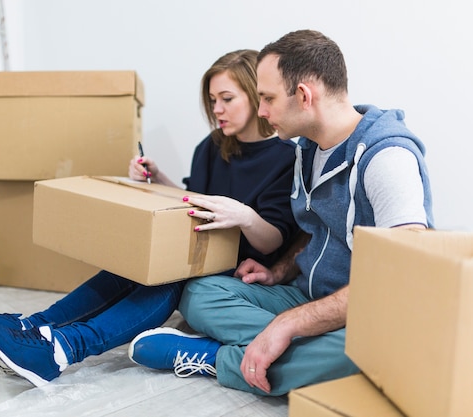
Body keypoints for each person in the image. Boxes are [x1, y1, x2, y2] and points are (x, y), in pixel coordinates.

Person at [0, 49, 298, 387]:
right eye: (211, 101)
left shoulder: (284, 157)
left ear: (255, 96)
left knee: (170, 279)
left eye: (226, 99)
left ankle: (60, 349)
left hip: (240, 268)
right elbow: (193, 201)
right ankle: (30, 328)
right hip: (198, 252)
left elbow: (274, 240)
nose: (216, 109)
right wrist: (157, 178)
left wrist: (244, 216)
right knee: (131, 267)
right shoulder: (212, 146)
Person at [128, 29, 434, 396]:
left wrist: (291, 324)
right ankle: (283, 354)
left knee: (380, 351)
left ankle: (220, 360)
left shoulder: (387, 159)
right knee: (198, 293)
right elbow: (314, 231)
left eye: (268, 98)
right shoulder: (308, 149)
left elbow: (402, 277)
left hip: (368, 312)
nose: (261, 112)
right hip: (309, 294)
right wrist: (278, 272)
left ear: (304, 96)